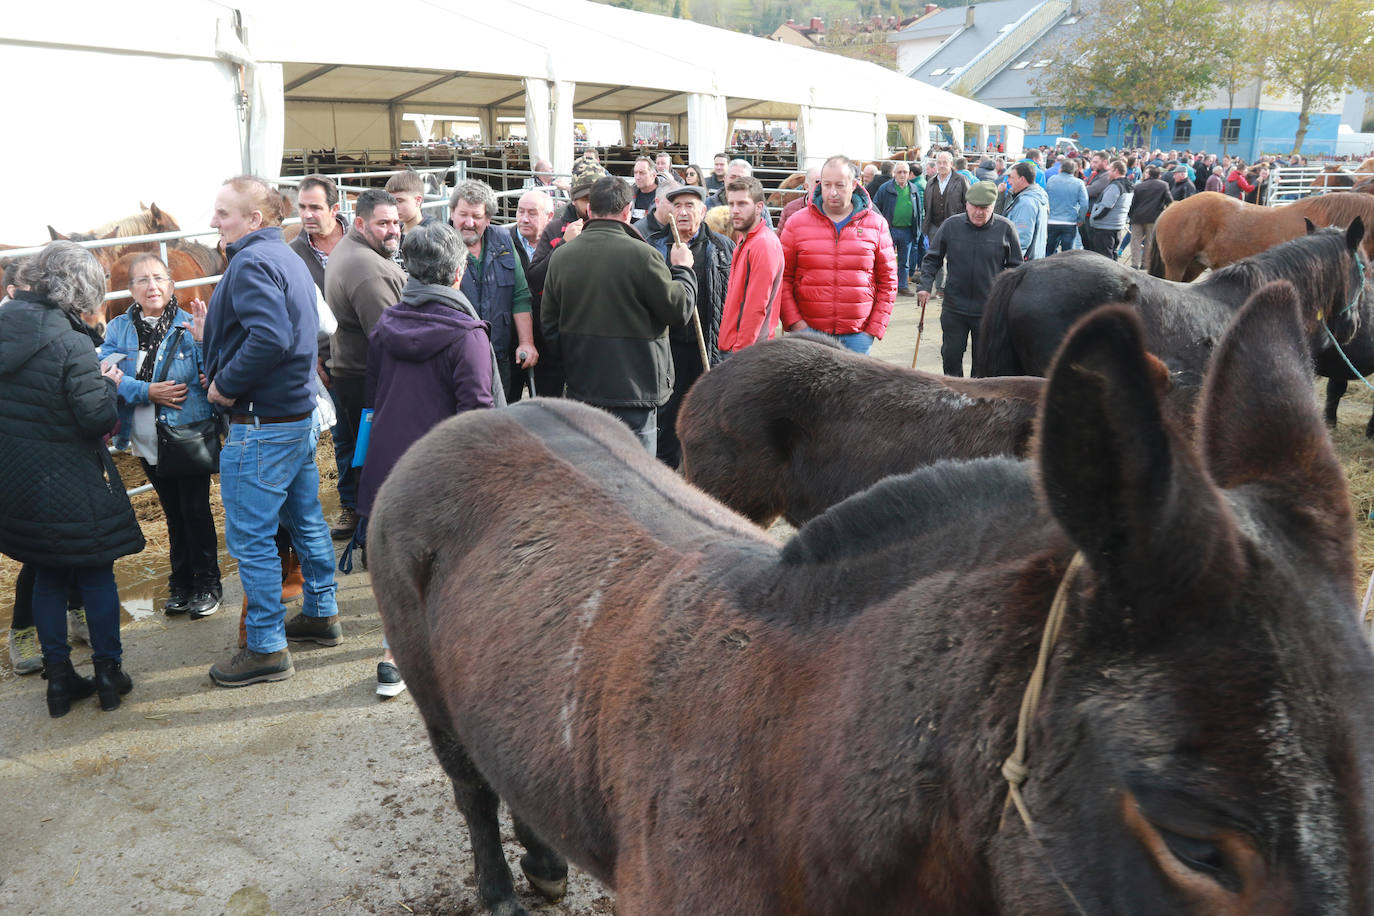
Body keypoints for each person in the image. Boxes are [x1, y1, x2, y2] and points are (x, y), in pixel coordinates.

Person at [202, 175, 340, 688]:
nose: (214, 221)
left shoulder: (253, 261)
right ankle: (322, 613)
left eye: (223, 213)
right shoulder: (285, 256)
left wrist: (224, 385)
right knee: (305, 520)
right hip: (294, 416)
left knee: (252, 538)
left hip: (262, 424)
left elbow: (270, 336)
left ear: (254, 220)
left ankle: (264, 647)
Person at [357, 222, 503, 698]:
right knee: (451, 566)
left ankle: (393, 656)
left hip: (390, 464)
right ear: (458, 274)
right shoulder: (467, 335)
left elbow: (375, 393)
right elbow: (478, 414)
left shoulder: (385, 325)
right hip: (442, 470)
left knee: (400, 566)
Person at [0, 241, 144, 715]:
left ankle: (58, 681)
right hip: (71, 476)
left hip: (19, 478)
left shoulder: (3, 325)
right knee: (97, 573)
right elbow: (93, 419)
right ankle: (108, 673)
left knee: (47, 574)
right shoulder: (71, 341)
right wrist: (104, 381)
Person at [99, 254, 221, 618]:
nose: (151, 286)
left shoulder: (190, 324)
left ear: (170, 285)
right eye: (142, 280)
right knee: (172, 512)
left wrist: (203, 345)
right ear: (131, 289)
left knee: (195, 509)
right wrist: (145, 391)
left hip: (186, 432)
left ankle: (207, 583)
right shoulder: (119, 328)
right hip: (145, 436)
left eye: (158, 279)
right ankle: (181, 583)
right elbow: (106, 373)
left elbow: (209, 375)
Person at [541, 175, 696, 453]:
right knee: (635, 478)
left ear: (589, 210)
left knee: (590, 476)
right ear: (628, 210)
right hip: (636, 394)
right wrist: (683, 270)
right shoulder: (644, 256)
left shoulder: (562, 257)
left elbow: (549, 327)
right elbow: (679, 310)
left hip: (583, 389)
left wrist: (575, 364)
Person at [323, 188, 405, 541]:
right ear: (359, 223)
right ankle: (380, 537)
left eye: (396, 222)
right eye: (383, 223)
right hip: (370, 378)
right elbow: (391, 337)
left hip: (354, 372)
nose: (393, 230)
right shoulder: (367, 268)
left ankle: (370, 528)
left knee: (364, 453)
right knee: (380, 459)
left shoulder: (353, 250)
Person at [642, 183, 734, 468]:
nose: (682, 212)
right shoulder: (656, 246)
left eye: (689, 205)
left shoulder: (721, 246)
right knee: (667, 416)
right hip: (668, 348)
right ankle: (665, 471)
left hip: (708, 345)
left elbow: (732, 295)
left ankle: (704, 474)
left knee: (707, 415)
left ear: (703, 210)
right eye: (677, 205)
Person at [779, 155, 897, 356]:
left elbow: (888, 281)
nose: (833, 192)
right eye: (827, 185)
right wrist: (796, 323)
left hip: (857, 336)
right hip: (809, 333)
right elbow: (783, 277)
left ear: (853, 185)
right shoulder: (796, 223)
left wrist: (873, 329)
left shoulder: (876, 225)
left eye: (840, 185)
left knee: (854, 388)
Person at [917, 180, 1022, 377]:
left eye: (985, 208)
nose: (979, 213)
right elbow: (932, 258)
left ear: (993, 206)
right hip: (955, 307)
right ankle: (954, 397)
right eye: (975, 207)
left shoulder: (1006, 228)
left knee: (984, 364)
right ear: (966, 204)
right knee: (950, 356)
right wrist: (924, 286)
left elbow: (1016, 268)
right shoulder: (951, 225)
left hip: (989, 310)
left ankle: (977, 401)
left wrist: (1009, 301)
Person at [451, 179, 538, 402]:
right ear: (452, 213)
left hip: (498, 358)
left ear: (488, 219)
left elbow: (520, 295)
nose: (469, 222)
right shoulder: (441, 245)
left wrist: (526, 342)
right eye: (463, 214)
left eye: (477, 216)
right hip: (456, 360)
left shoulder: (503, 241)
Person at [718, 175, 785, 356]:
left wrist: (741, 354)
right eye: (731, 204)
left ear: (758, 207)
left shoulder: (763, 244)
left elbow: (756, 307)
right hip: (737, 347)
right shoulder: (745, 239)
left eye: (742, 204)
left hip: (747, 352)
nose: (735, 210)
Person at [872, 161, 923, 296]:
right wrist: (881, 226)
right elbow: (875, 207)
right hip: (890, 230)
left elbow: (918, 210)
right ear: (894, 173)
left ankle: (902, 286)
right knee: (885, 260)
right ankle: (883, 286)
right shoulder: (885, 188)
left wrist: (917, 230)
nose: (902, 175)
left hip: (907, 230)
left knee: (904, 262)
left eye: (905, 172)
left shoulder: (914, 189)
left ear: (909, 174)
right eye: (899, 172)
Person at [922, 151, 968, 291]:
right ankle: (939, 288)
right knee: (936, 258)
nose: (942, 165)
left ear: (951, 164)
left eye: (945, 163)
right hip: (934, 226)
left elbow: (968, 202)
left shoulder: (960, 180)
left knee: (954, 258)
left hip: (955, 226)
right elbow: (926, 206)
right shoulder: (930, 182)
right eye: (939, 163)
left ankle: (951, 287)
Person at [1127, 165, 1171, 269]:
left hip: (1137, 217)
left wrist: (1130, 215)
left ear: (1148, 174)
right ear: (1159, 175)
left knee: (1135, 241)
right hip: (1153, 218)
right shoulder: (1164, 185)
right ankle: (1145, 264)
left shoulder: (1138, 186)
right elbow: (1169, 201)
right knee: (1149, 242)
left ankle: (1134, 263)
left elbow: (1133, 203)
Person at [1087, 160, 1133, 259]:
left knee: (1104, 258)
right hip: (1117, 226)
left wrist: (1094, 217)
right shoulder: (1128, 186)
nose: (1108, 172)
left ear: (1116, 171)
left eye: (1110, 170)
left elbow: (1106, 206)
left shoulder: (1115, 186)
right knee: (1112, 256)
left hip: (1105, 228)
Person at [1004, 161, 1050, 261]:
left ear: (1022, 179)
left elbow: (1021, 240)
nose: (1008, 181)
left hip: (1024, 266)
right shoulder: (1039, 195)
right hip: (1035, 260)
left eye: (1011, 177)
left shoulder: (1026, 203)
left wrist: (1011, 264)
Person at [1046, 158, 1089, 255]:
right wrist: (1080, 219)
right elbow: (1084, 204)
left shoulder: (1051, 180)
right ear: (1074, 170)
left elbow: (1045, 197)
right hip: (1069, 222)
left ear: (1061, 168)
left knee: (1049, 251)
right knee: (1068, 253)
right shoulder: (1079, 183)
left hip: (1052, 220)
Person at [777, 165, 821, 235]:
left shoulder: (835, 210)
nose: (821, 186)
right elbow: (780, 239)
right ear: (806, 186)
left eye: (826, 183)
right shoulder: (790, 209)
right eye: (817, 182)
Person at [385, 170, 430, 236]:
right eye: (390, 201)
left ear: (418, 201)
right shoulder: (391, 231)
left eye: (399, 201)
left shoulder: (431, 236)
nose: (394, 207)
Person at [630, 156, 661, 222]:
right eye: (635, 173)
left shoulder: (664, 196)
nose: (637, 177)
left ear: (653, 175)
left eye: (642, 173)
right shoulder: (629, 194)